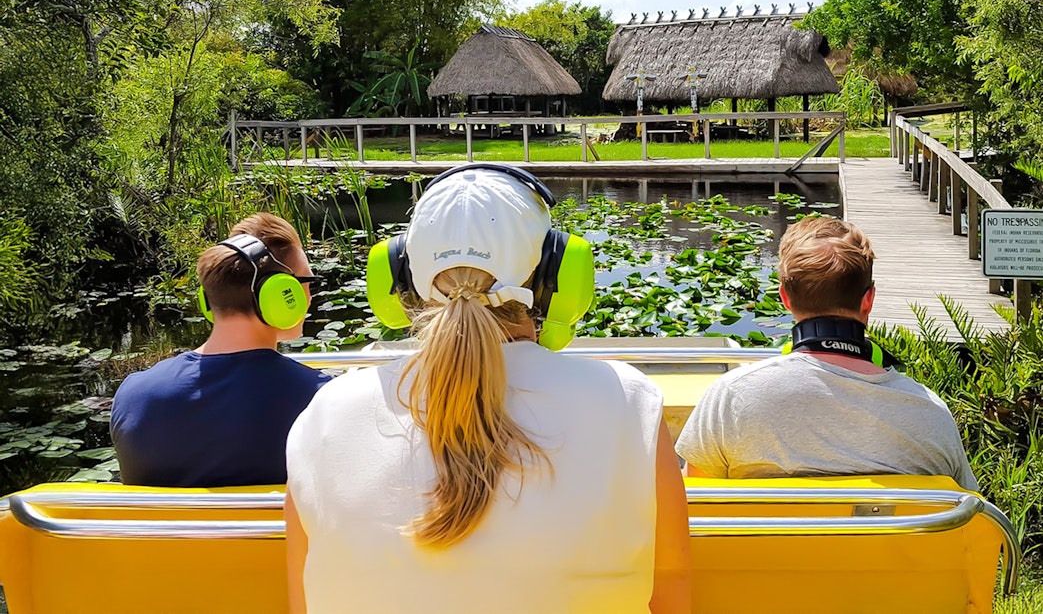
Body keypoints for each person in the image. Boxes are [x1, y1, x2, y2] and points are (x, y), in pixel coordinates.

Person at [285, 163, 691, 614]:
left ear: (398, 280)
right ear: (557, 275)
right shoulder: (628, 404)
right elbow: (670, 592)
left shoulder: (326, 416)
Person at [675, 215, 979, 491]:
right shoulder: (929, 414)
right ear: (868, 300)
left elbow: (696, 504)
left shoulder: (732, 397)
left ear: (784, 298)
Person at [111, 212, 330, 487]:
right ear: (280, 292)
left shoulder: (134, 397)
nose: (310, 296)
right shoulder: (322, 400)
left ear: (209, 298)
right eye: (306, 283)